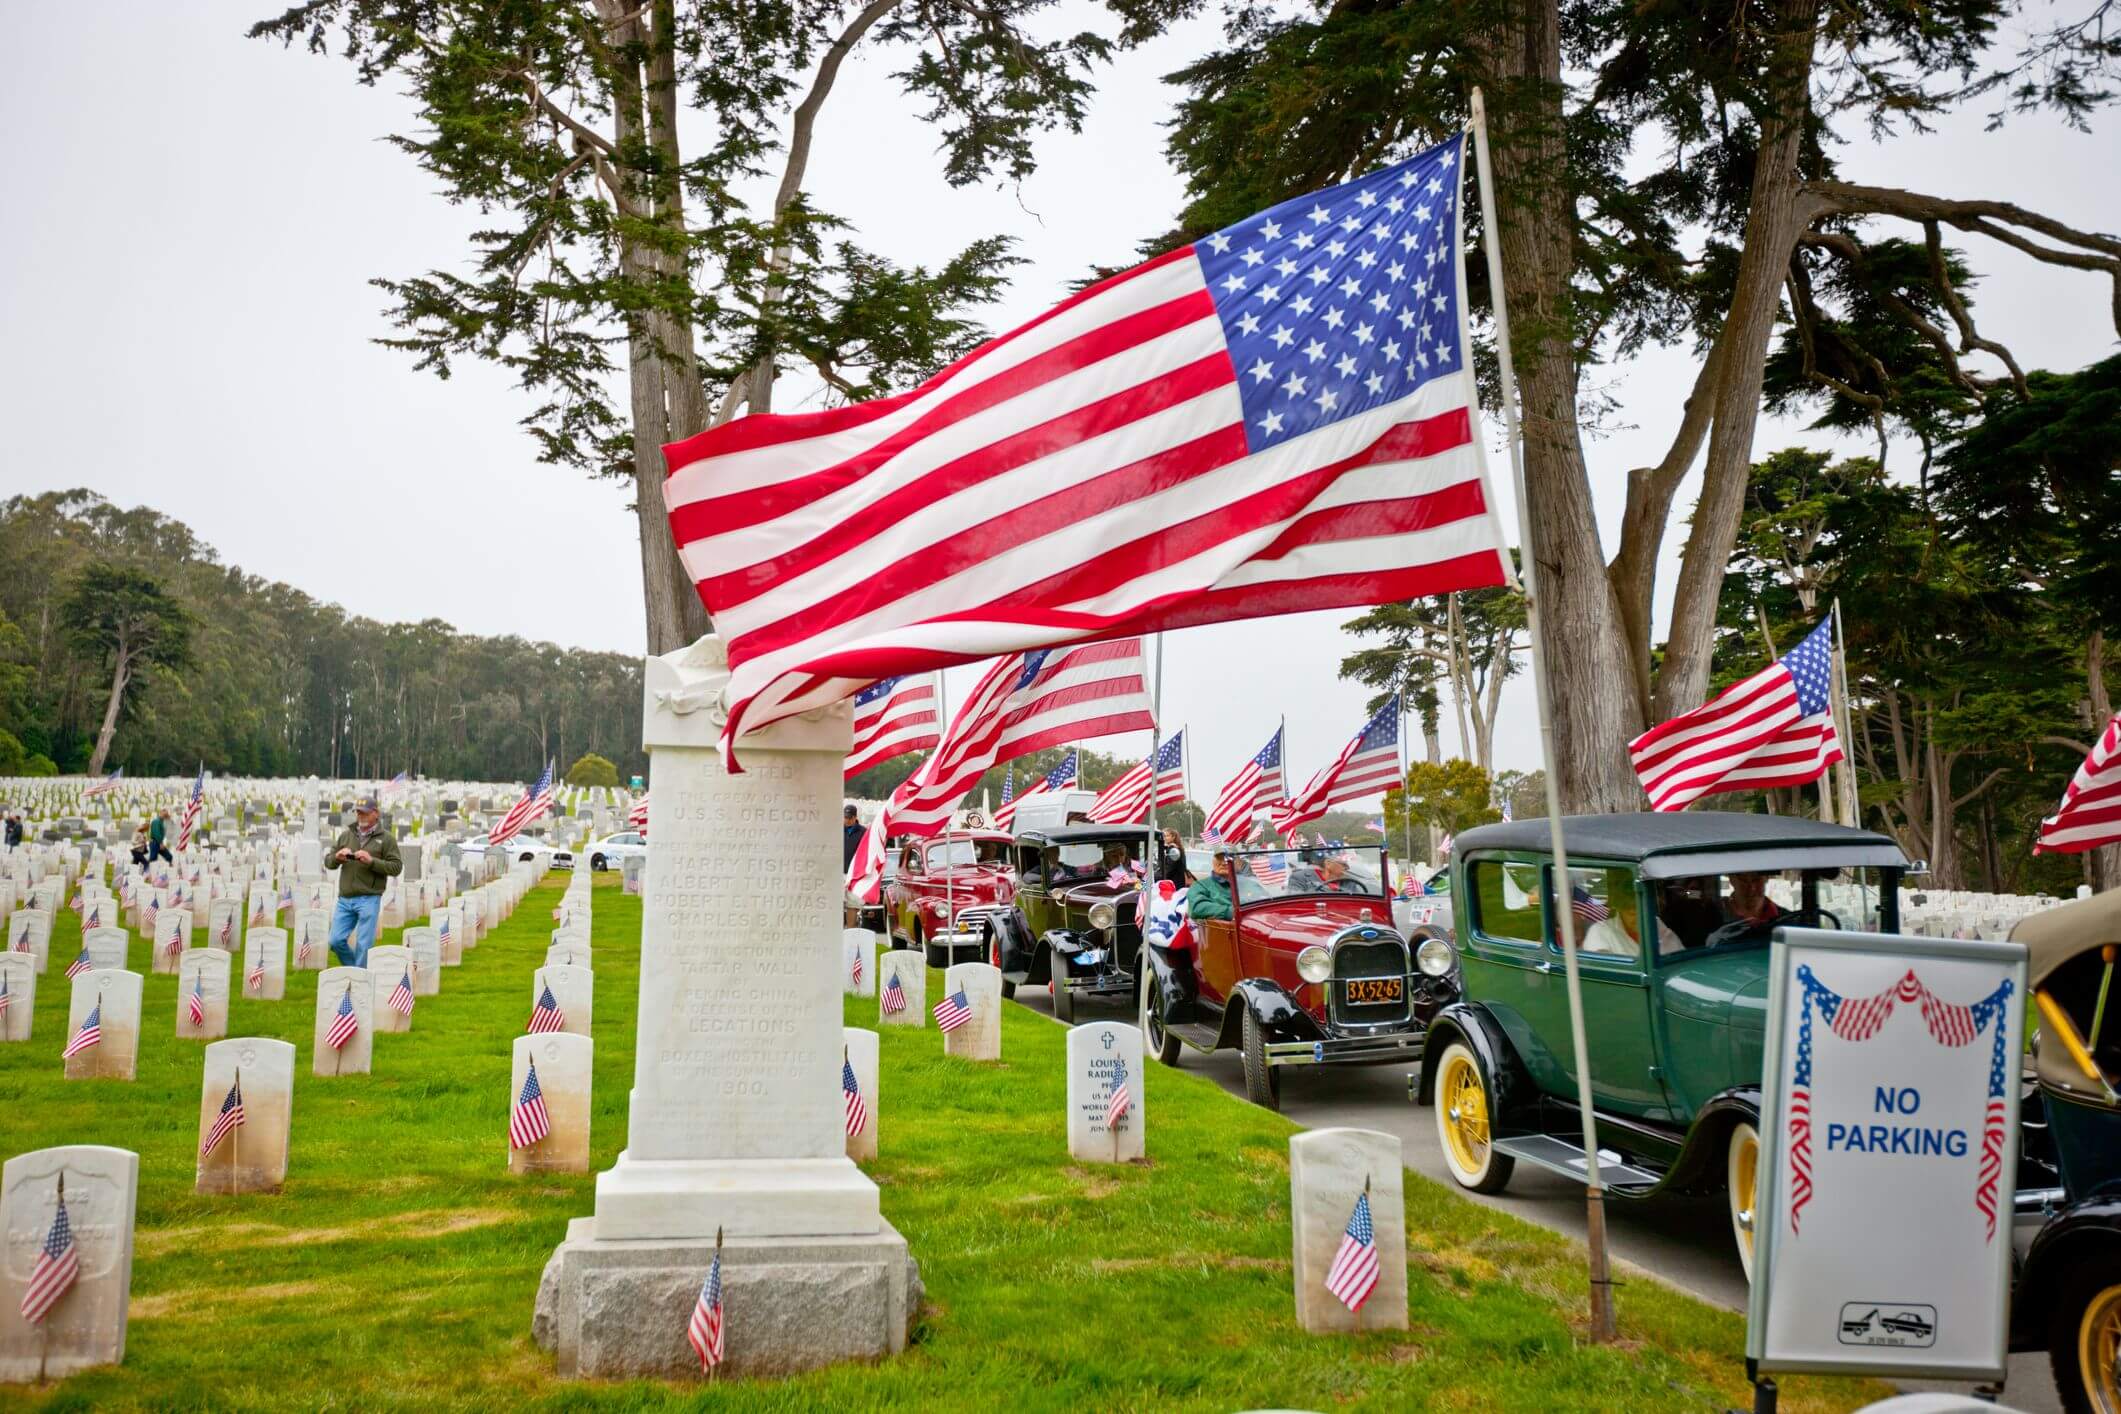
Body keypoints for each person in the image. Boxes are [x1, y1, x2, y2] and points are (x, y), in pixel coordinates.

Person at [324, 796, 402, 969]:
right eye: (358, 812)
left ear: (375, 813)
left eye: (365, 812)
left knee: (364, 946)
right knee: (335, 940)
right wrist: (337, 858)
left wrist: (371, 861)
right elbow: (328, 862)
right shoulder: (346, 835)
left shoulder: (387, 839)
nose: (361, 816)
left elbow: (396, 867)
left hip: (369, 898)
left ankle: (360, 984)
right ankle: (357, 972)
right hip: (345, 899)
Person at [1188, 851, 1236, 921]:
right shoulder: (1200, 885)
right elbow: (1197, 907)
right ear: (1213, 862)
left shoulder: (1249, 884)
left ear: (1237, 862)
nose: (1224, 863)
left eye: (1229, 859)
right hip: (1221, 929)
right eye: (1220, 858)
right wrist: (1228, 912)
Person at [842, 805, 864, 870]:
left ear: (855, 817)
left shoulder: (863, 832)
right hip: (840, 872)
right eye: (845, 817)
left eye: (849, 818)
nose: (847, 820)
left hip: (855, 872)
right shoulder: (838, 831)